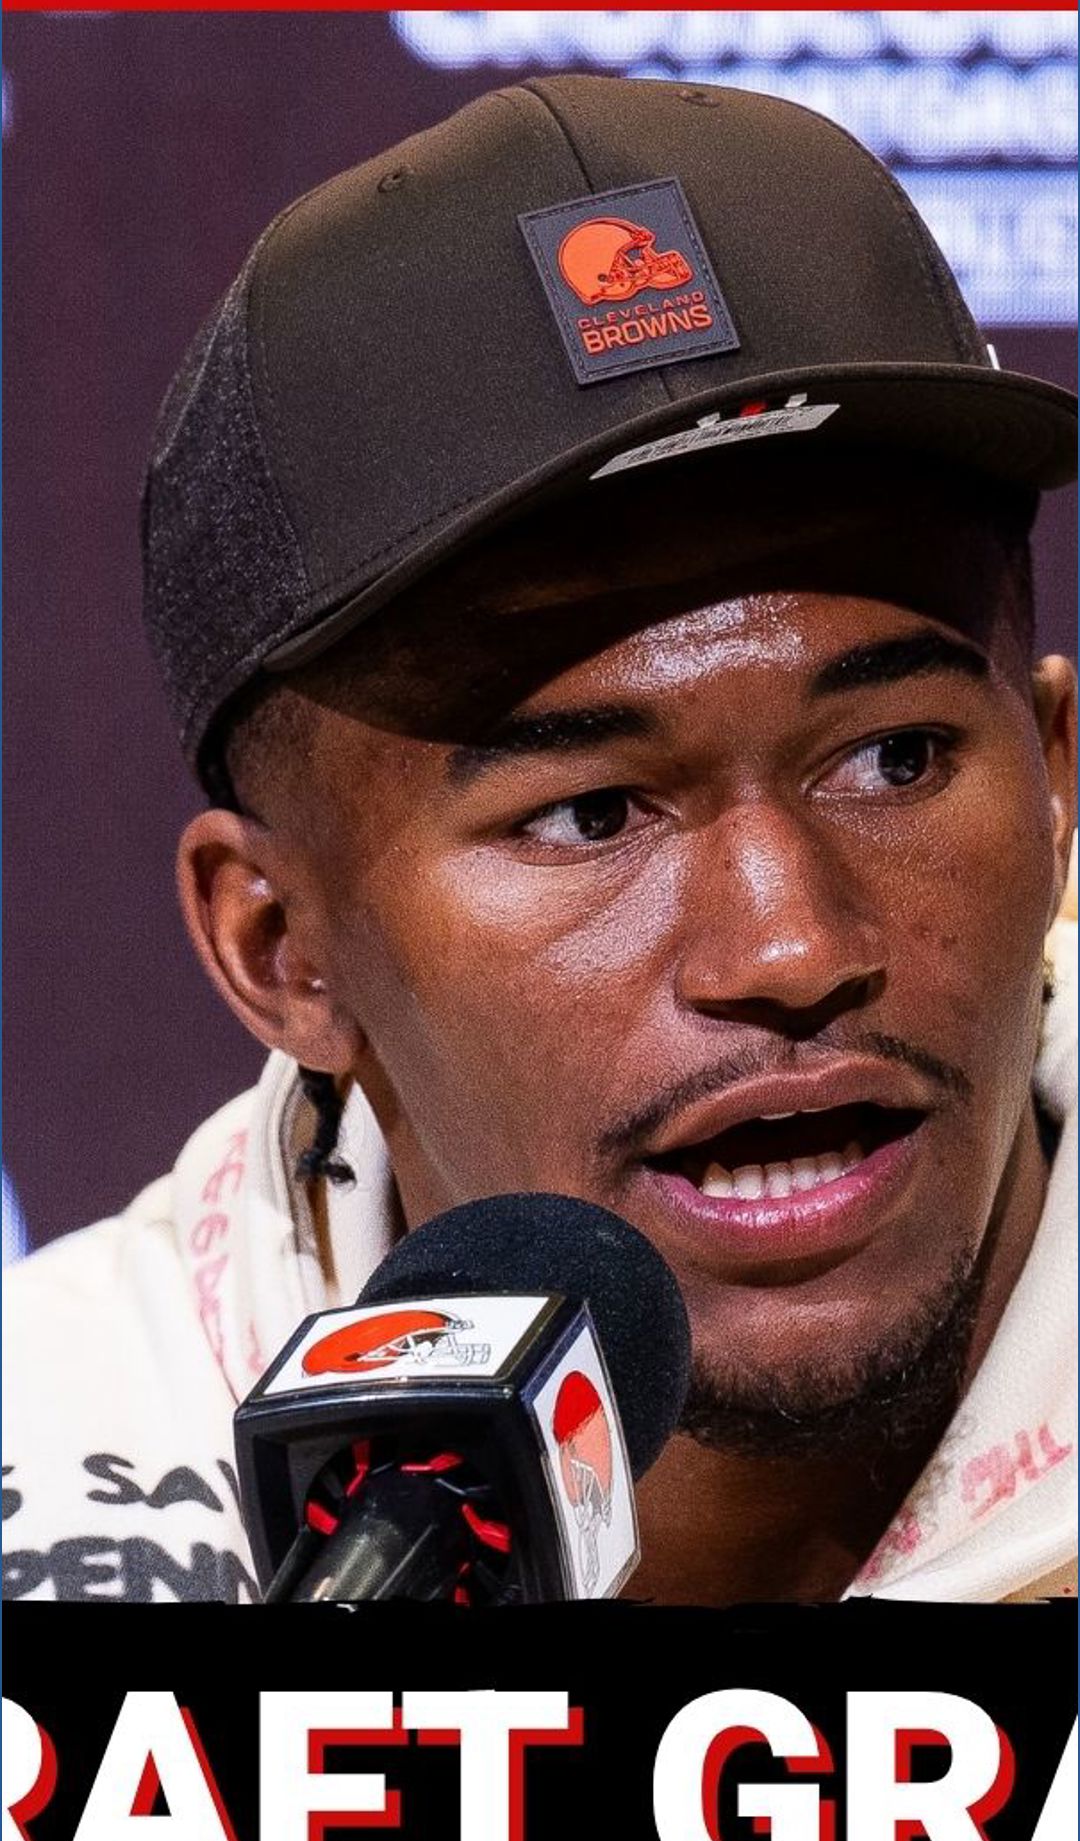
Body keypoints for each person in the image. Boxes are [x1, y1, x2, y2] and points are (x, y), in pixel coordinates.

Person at [3, 74, 1076, 1605]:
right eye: (591, 815)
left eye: (892, 759)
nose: (790, 945)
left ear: (1053, 775)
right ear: (280, 949)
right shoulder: (51, 1487)